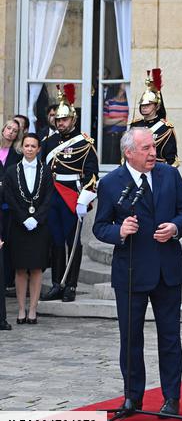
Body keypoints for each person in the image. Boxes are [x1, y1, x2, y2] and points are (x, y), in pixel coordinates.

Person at [93, 127, 182, 419]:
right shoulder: (111, 183)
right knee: (130, 339)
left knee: (170, 338)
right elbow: (100, 226)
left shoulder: (169, 175)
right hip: (131, 272)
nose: (153, 153)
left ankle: (171, 398)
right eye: (147, 148)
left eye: (154, 147)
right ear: (129, 153)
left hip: (167, 271)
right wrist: (119, 231)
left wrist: (175, 227)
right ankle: (132, 398)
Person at [42, 84, 99, 301]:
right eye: (58, 120)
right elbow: (43, 170)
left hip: (72, 196)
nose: (60, 123)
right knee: (56, 240)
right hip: (52, 197)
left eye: (64, 120)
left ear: (73, 120)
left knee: (72, 241)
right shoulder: (49, 143)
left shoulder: (84, 143)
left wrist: (84, 199)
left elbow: (92, 174)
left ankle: (71, 285)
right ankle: (57, 283)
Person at [3, 132, 54, 325]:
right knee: (20, 268)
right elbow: (10, 197)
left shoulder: (46, 170)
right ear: (21, 148)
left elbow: (49, 197)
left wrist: (37, 219)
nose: (30, 149)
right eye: (27, 146)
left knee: (36, 268)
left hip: (39, 226)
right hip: (18, 225)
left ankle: (33, 309)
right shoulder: (11, 170)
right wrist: (24, 218)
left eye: (33, 146)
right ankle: (21, 309)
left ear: (39, 149)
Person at [130, 69, 179, 166]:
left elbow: (171, 159)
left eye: (148, 105)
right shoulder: (135, 125)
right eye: (143, 105)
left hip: (157, 170)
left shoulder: (165, 128)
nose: (144, 107)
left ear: (156, 106)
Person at [0, 118, 21, 291]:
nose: (11, 132)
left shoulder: (17, 154)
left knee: (7, 243)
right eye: (9, 128)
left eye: (15, 130)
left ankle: (7, 280)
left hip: (7, 206)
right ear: (3, 129)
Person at [103, 84, 129, 165]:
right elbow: (105, 121)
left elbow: (128, 122)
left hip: (126, 136)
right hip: (112, 136)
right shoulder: (109, 102)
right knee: (112, 160)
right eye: (123, 83)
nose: (125, 85)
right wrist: (121, 119)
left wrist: (113, 121)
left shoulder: (128, 103)